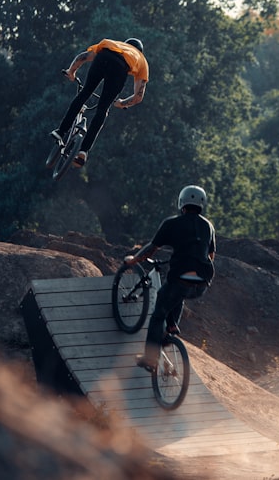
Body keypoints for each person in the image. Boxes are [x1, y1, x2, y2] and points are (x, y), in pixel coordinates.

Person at [126, 185, 216, 371]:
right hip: (202, 283)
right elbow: (211, 255)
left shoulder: (172, 223)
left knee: (159, 312)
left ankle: (150, 358)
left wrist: (135, 260)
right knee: (179, 294)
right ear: (201, 205)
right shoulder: (208, 226)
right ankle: (172, 327)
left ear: (181, 203)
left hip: (180, 278)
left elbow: (152, 247)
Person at [51, 37, 148, 167]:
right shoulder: (141, 59)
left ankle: (61, 131)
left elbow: (83, 56)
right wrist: (122, 103)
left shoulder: (114, 43)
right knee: (103, 110)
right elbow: (138, 97)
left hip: (104, 56)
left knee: (85, 93)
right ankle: (83, 151)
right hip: (120, 68)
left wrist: (71, 72)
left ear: (125, 44)